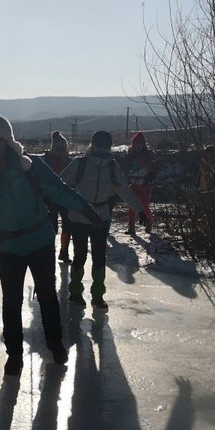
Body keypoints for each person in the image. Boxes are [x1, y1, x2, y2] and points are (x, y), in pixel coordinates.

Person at [0, 108, 102, 376]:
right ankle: (14, 354)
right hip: (8, 248)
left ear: (6, 140)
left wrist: (86, 209)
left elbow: (59, 190)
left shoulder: (31, 166)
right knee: (11, 301)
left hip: (40, 241)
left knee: (48, 296)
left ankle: (54, 342)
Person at [59, 131, 148, 310]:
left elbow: (125, 191)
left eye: (103, 145)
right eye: (100, 144)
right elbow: (59, 185)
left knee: (97, 256)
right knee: (81, 255)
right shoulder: (80, 164)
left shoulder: (111, 167)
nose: (101, 148)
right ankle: (78, 293)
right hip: (80, 216)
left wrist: (140, 210)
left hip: (99, 216)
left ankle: (95, 296)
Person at [41, 131, 74, 263]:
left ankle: (63, 252)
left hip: (64, 198)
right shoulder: (47, 161)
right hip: (51, 198)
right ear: (53, 149)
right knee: (52, 226)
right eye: (59, 149)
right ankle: (52, 250)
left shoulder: (70, 161)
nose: (61, 152)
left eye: (63, 149)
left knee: (67, 225)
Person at [120, 131, 158, 235]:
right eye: (136, 143)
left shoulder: (149, 155)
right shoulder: (130, 154)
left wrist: (151, 178)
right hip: (133, 183)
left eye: (140, 143)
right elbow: (124, 166)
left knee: (144, 205)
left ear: (143, 144)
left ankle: (149, 223)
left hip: (145, 184)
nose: (138, 146)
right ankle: (131, 227)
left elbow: (155, 169)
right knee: (132, 205)